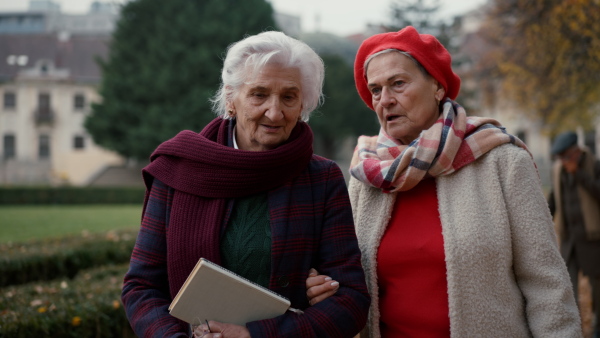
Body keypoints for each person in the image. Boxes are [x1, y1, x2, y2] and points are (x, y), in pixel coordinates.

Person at [307, 26, 581, 337]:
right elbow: (349, 280)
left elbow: (548, 286)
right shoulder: (366, 172)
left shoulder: (501, 160)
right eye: (376, 90)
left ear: (437, 86)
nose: (385, 100)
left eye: (398, 84)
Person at [121, 31, 370, 338]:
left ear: (303, 104)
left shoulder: (321, 179)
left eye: (289, 97)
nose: (275, 112)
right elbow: (141, 287)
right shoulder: (179, 171)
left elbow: (352, 300)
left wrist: (255, 335)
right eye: (259, 94)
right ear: (231, 99)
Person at [548, 131, 600, 338]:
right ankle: (572, 329)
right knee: (567, 288)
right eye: (560, 158)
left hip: (592, 239)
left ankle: (598, 327)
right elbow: (552, 201)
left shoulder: (594, 165)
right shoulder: (557, 170)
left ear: (576, 152)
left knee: (597, 288)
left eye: (566, 156)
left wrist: (578, 173)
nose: (563, 161)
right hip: (569, 241)